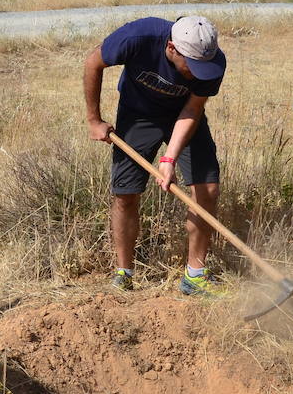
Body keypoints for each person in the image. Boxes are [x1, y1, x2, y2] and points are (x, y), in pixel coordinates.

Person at [84, 15, 226, 295]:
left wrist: (169, 159)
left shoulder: (211, 62)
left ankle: (194, 276)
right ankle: (124, 273)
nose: (199, 73)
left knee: (207, 187)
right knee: (125, 193)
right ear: (172, 48)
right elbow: (93, 62)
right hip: (137, 114)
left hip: (183, 116)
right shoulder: (138, 37)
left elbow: (192, 110)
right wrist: (94, 120)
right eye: (192, 66)